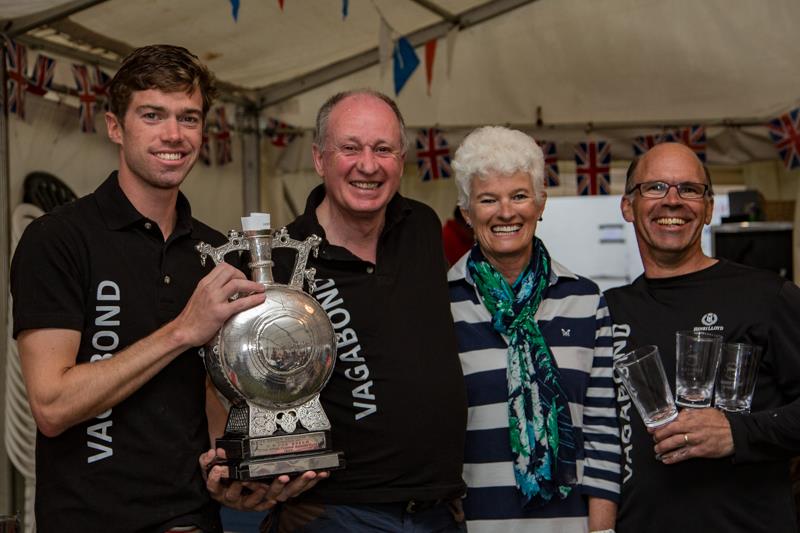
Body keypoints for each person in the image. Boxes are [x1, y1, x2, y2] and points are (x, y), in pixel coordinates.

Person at [10, 44, 313, 533]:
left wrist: (236, 471)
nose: (173, 135)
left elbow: (214, 389)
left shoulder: (218, 252)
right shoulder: (59, 239)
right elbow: (52, 406)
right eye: (153, 115)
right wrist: (183, 330)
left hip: (191, 521)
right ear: (115, 126)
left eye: (188, 118)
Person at [226, 89, 468, 532]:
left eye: (383, 149)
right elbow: (230, 375)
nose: (368, 165)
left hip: (438, 509)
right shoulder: (281, 261)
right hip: (336, 512)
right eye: (350, 148)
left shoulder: (423, 227)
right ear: (320, 159)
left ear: (401, 159)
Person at [605, 142, 800, 533]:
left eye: (689, 189)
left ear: (709, 209)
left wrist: (737, 433)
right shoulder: (607, 310)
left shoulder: (767, 297)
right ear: (628, 206)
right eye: (655, 187)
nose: (672, 201)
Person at [447, 126, 620, 532]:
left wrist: (602, 529)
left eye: (519, 196)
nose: (506, 212)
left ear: (541, 204)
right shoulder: (440, 306)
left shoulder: (586, 301)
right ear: (467, 212)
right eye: (488, 199)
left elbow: (603, 432)